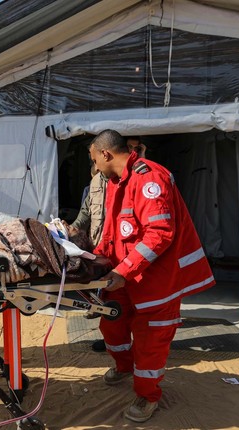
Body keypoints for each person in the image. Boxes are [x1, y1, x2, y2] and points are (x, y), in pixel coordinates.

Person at [89, 130, 214, 423]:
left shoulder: (149, 179)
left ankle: (147, 395)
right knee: (113, 324)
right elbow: (113, 233)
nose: (95, 167)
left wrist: (122, 270)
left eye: (95, 160)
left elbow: (160, 234)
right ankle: (123, 366)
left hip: (157, 281)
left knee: (150, 340)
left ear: (105, 154)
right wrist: (93, 261)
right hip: (126, 275)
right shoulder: (118, 182)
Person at [70, 138, 145, 335]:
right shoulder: (95, 182)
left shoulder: (133, 178)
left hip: (124, 250)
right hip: (101, 246)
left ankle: (127, 337)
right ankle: (111, 335)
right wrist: (71, 231)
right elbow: (85, 212)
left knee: (127, 299)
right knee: (108, 295)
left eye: (136, 149)